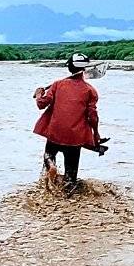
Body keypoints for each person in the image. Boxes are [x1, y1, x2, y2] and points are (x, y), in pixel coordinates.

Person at [33, 53, 107, 194]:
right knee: (71, 178)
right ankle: (68, 195)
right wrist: (96, 134)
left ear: (70, 69)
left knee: (48, 155)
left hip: (55, 133)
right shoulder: (90, 90)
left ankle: (50, 165)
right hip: (75, 138)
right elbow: (93, 117)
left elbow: (41, 104)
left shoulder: (57, 85)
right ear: (84, 69)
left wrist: (38, 94)